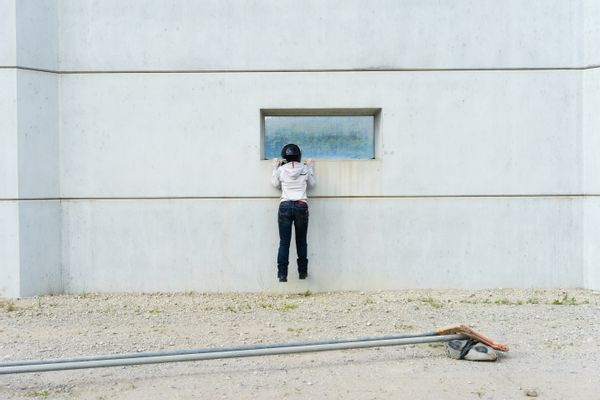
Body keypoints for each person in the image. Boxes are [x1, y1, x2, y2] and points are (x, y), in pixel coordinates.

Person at [271, 144, 316, 282]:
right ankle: (302, 273)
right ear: (299, 156)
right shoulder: (304, 168)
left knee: (284, 243)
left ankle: (282, 275)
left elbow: (275, 184)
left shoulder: (281, 169)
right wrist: (311, 167)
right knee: (301, 242)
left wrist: (274, 167)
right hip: (301, 205)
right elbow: (312, 184)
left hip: (285, 205)